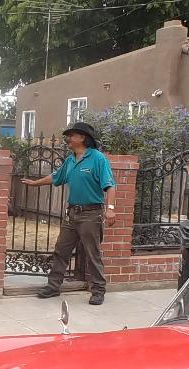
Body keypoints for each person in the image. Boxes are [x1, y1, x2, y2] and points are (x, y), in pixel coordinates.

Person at [21, 122, 116, 305]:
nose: (68, 139)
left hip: (91, 214)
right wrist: (35, 183)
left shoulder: (98, 159)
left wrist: (110, 209)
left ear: (82, 138)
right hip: (72, 214)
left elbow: (110, 185)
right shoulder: (71, 160)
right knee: (61, 250)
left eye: (71, 135)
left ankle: (98, 291)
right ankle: (53, 286)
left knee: (92, 254)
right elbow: (56, 177)